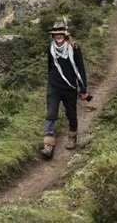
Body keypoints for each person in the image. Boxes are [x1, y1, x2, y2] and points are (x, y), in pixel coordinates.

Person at [41, 19, 89, 159]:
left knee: (71, 113)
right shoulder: (50, 48)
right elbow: (50, 66)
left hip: (69, 88)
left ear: (65, 35)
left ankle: (72, 136)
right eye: (56, 34)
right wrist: (51, 80)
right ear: (53, 36)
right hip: (54, 87)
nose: (58, 36)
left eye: (61, 34)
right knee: (51, 113)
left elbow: (80, 68)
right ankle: (49, 144)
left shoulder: (74, 48)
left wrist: (83, 87)